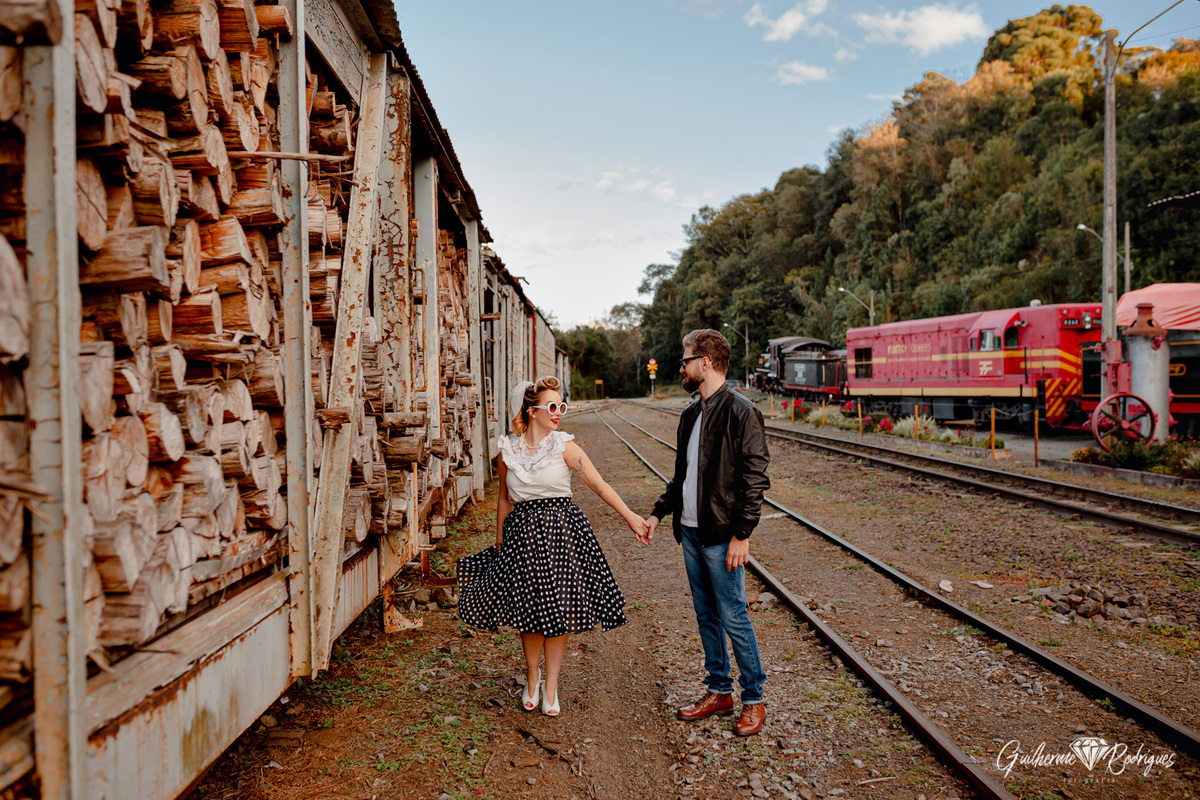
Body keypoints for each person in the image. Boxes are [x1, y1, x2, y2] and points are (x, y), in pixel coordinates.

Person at [458, 376, 649, 717]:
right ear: (531, 411)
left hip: (562, 537)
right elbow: (504, 499)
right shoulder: (508, 452)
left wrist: (631, 517)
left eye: (562, 406)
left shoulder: (564, 446)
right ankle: (532, 676)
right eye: (551, 406)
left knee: (559, 610)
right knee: (530, 610)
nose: (558, 411)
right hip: (522, 540)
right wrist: (500, 541)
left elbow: (599, 485)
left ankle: (551, 685)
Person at [646, 329, 770, 736]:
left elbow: (755, 479)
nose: (681, 367)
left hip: (721, 535)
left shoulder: (741, 412)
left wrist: (742, 533)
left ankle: (753, 698)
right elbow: (682, 476)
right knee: (706, 616)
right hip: (690, 531)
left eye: (686, 360)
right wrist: (659, 513)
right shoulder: (690, 414)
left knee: (733, 616)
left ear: (706, 363)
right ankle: (719, 691)